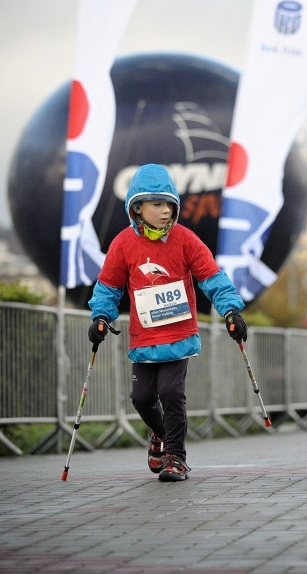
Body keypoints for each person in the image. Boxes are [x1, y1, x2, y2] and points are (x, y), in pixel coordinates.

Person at [87, 163, 247, 481]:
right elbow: (108, 286)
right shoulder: (123, 244)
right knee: (142, 397)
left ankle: (176, 456)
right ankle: (160, 434)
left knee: (172, 392)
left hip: (179, 334)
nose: (165, 211)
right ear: (137, 207)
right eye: (157, 204)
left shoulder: (185, 239)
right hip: (144, 339)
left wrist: (231, 310)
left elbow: (212, 276)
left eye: (169, 204)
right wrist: (100, 316)